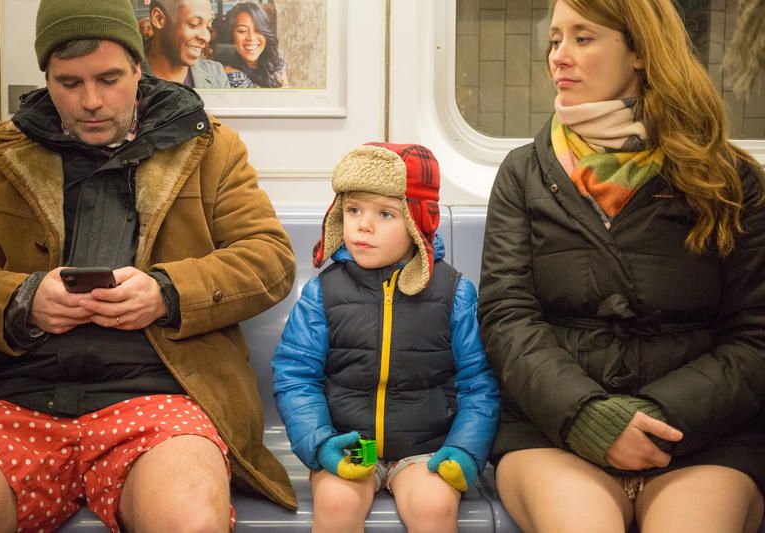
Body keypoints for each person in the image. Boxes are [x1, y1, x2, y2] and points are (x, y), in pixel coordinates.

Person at [0, 0, 297, 531]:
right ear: (46, 78)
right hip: (18, 399)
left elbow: (269, 258)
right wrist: (21, 300)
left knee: (190, 522)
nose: (91, 101)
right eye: (69, 83)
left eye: (109, 79)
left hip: (160, 399)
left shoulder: (211, 148)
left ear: (138, 67)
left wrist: (166, 293)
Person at [478, 0, 765, 532]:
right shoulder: (523, 173)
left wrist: (661, 417)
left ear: (639, 51)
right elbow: (506, 318)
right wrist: (587, 416)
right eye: (555, 40)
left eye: (582, 38)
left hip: (700, 437)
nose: (559, 56)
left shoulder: (727, 179)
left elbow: (754, 336)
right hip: (554, 431)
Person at [272, 143, 499, 533]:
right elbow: (296, 377)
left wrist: (464, 450)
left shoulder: (454, 293)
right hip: (347, 444)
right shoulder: (322, 293)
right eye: (353, 210)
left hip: (427, 449)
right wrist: (321, 443)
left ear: (416, 222)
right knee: (337, 503)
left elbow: (478, 383)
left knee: (433, 508)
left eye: (386, 214)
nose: (363, 225)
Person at [145, 0, 231, 88]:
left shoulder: (216, 75)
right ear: (159, 19)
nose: (206, 37)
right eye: (194, 24)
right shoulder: (136, 77)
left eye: (208, 26)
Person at [219, 2, 287, 88]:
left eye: (258, 30)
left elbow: (286, 88)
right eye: (242, 31)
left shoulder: (275, 57)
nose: (251, 37)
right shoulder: (232, 76)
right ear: (231, 35)